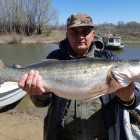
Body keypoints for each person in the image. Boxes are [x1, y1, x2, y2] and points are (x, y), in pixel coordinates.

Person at [18, 13, 140, 140]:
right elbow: (41, 103)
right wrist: (39, 94)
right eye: (74, 32)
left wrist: (128, 97)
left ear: (93, 33)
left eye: (85, 31)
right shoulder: (55, 58)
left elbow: (134, 101)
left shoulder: (109, 58)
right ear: (67, 35)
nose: (80, 36)